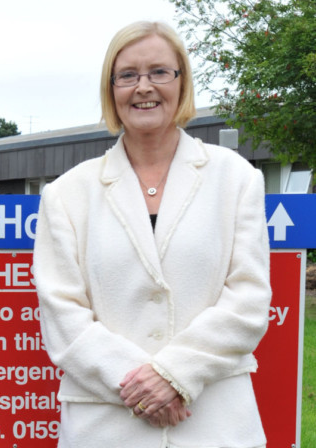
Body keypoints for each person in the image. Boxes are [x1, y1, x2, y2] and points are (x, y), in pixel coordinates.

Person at [33, 21, 271, 447]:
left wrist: (174, 375)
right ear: (112, 90)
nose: (144, 87)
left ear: (182, 82)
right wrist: (145, 389)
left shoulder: (236, 179)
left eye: (160, 72)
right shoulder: (67, 194)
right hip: (106, 428)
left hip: (214, 425)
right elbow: (62, 316)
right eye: (128, 75)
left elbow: (248, 302)